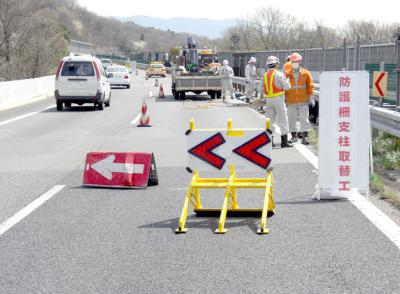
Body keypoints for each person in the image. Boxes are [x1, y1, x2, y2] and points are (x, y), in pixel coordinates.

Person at [261, 56, 292, 148]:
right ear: (276, 64)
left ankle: (270, 142)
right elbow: (286, 87)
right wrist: (288, 82)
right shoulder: (279, 74)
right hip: (278, 99)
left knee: (270, 121)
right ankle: (284, 142)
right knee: (283, 119)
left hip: (269, 100)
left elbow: (260, 88)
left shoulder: (265, 75)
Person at [284, 52, 315, 145]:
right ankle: (293, 137)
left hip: (303, 101)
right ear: (291, 62)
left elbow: (310, 87)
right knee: (291, 119)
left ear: (300, 62)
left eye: (296, 61)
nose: (295, 63)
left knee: (304, 119)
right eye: (293, 62)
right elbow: (283, 87)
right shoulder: (287, 74)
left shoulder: (306, 73)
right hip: (290, 101)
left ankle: (304, 138)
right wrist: (283, 98)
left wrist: (311, 98)